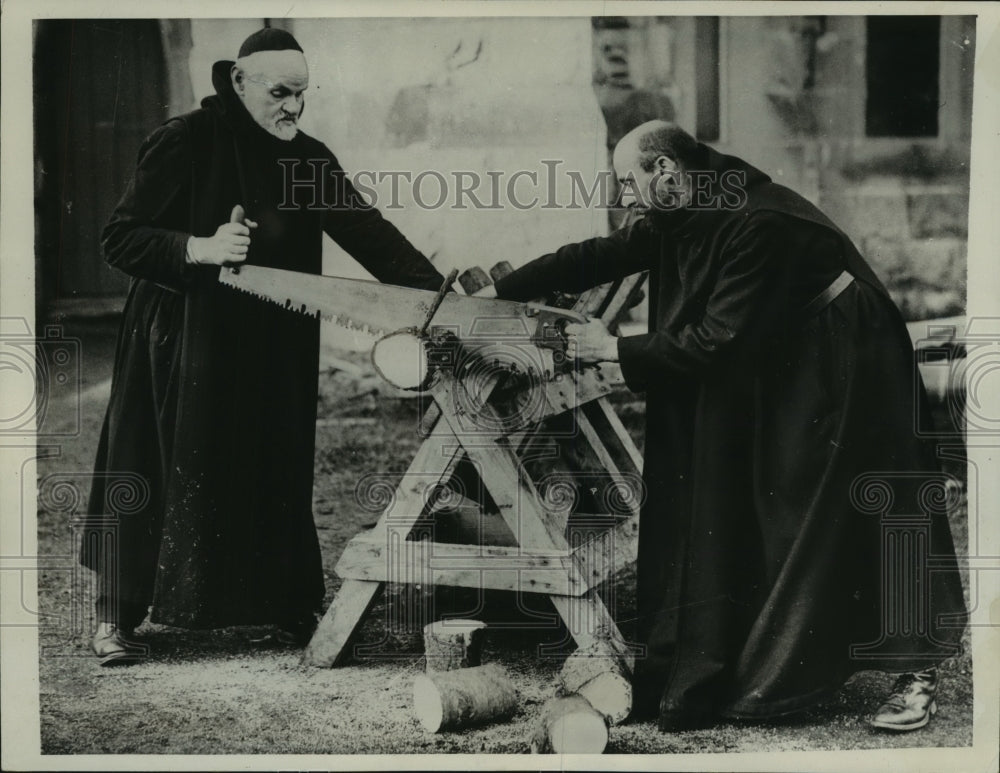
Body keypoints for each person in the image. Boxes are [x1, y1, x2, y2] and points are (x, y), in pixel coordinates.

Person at [487, 120, 967, 732]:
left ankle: (917, 671)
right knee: (781, 504)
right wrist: (496, 292)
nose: (624, 197)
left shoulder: (754, 221)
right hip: (792, 351)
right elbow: (598, 255)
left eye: (626, 182)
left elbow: (712, 342)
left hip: (850, 356)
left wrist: (609, 349)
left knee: (852, 503)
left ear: (665, 173)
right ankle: (781, 657)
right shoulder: (689, 200)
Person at [82, 28, 446, 664]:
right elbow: (120, 238)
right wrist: (199, 249)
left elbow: (369, 232)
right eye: (280, 93)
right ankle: (116, 617)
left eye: (302, 95)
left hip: (272, 342)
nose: (293, 109)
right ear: (240, 82)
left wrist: (439, 297)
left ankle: (280, 607)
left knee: (271, 461)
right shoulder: (185, 141)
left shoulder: (307, 158)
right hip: (182, 337)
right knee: (156, 462)